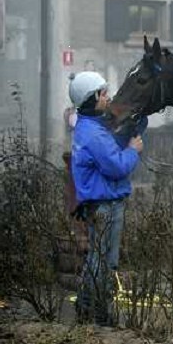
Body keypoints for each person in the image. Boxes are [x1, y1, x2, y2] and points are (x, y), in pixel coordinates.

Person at [68, 71, 145, 325]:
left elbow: (110, 144)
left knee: (95, 259)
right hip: (106, 207)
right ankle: (100, 315)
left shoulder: (88, 127)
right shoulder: (94, 135)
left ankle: (85, 306)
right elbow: (117, 166)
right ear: (92, 99)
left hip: (96, 205)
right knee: (105, 262)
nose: (108, 97)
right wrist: (133, 151)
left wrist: (133, 128)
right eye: (103, 93)